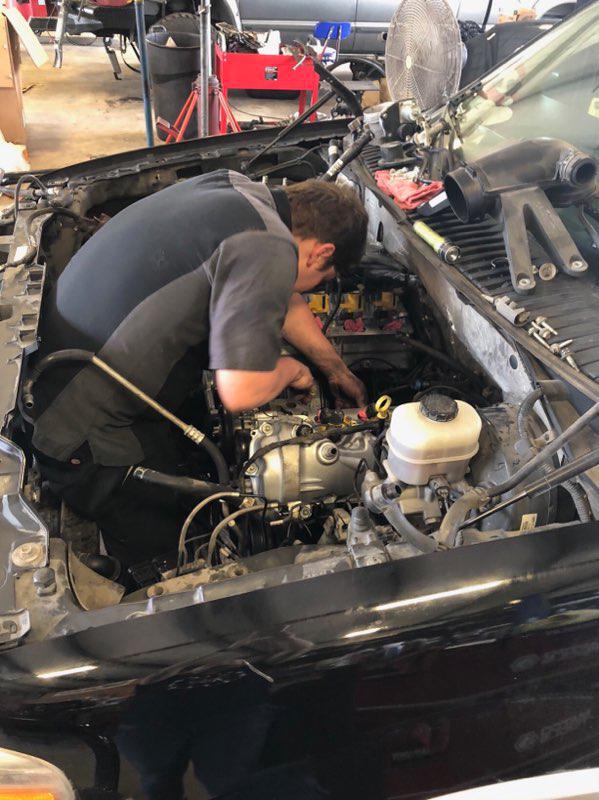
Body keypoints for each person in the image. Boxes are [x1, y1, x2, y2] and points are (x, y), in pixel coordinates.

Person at [30, 170, 369, 566]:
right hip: (83, 440)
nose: (311, 289)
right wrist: (291, 370)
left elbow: (285, 294)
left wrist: (335, 370)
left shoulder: (237, 189)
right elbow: (239, 392)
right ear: (322, 253)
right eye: (323, 279)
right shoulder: (269, 247)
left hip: (61, 376)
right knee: (184, 551)